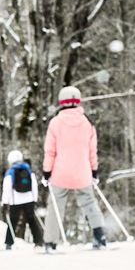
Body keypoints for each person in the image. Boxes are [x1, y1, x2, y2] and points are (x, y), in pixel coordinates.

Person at [43, 85, 106, 249]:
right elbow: (92, 151)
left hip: (60, 172)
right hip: (82, 172)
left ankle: (50, 241)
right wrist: (94, 171)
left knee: (56, 205)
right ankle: (100, 235)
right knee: (89, 202)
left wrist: (46, 172)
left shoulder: (55, 123)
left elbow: (50, 151)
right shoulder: (87, 123)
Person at [1, 149, 45, 250]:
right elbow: (34, 184)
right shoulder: (28, 169)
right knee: (31, 220)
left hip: (15, 200)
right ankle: (38, 241)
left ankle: (9, 243)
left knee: (13, 221)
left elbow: (7, 188)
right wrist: (34, 198)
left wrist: (5, 202)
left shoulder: (11, 171)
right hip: (29, 199)